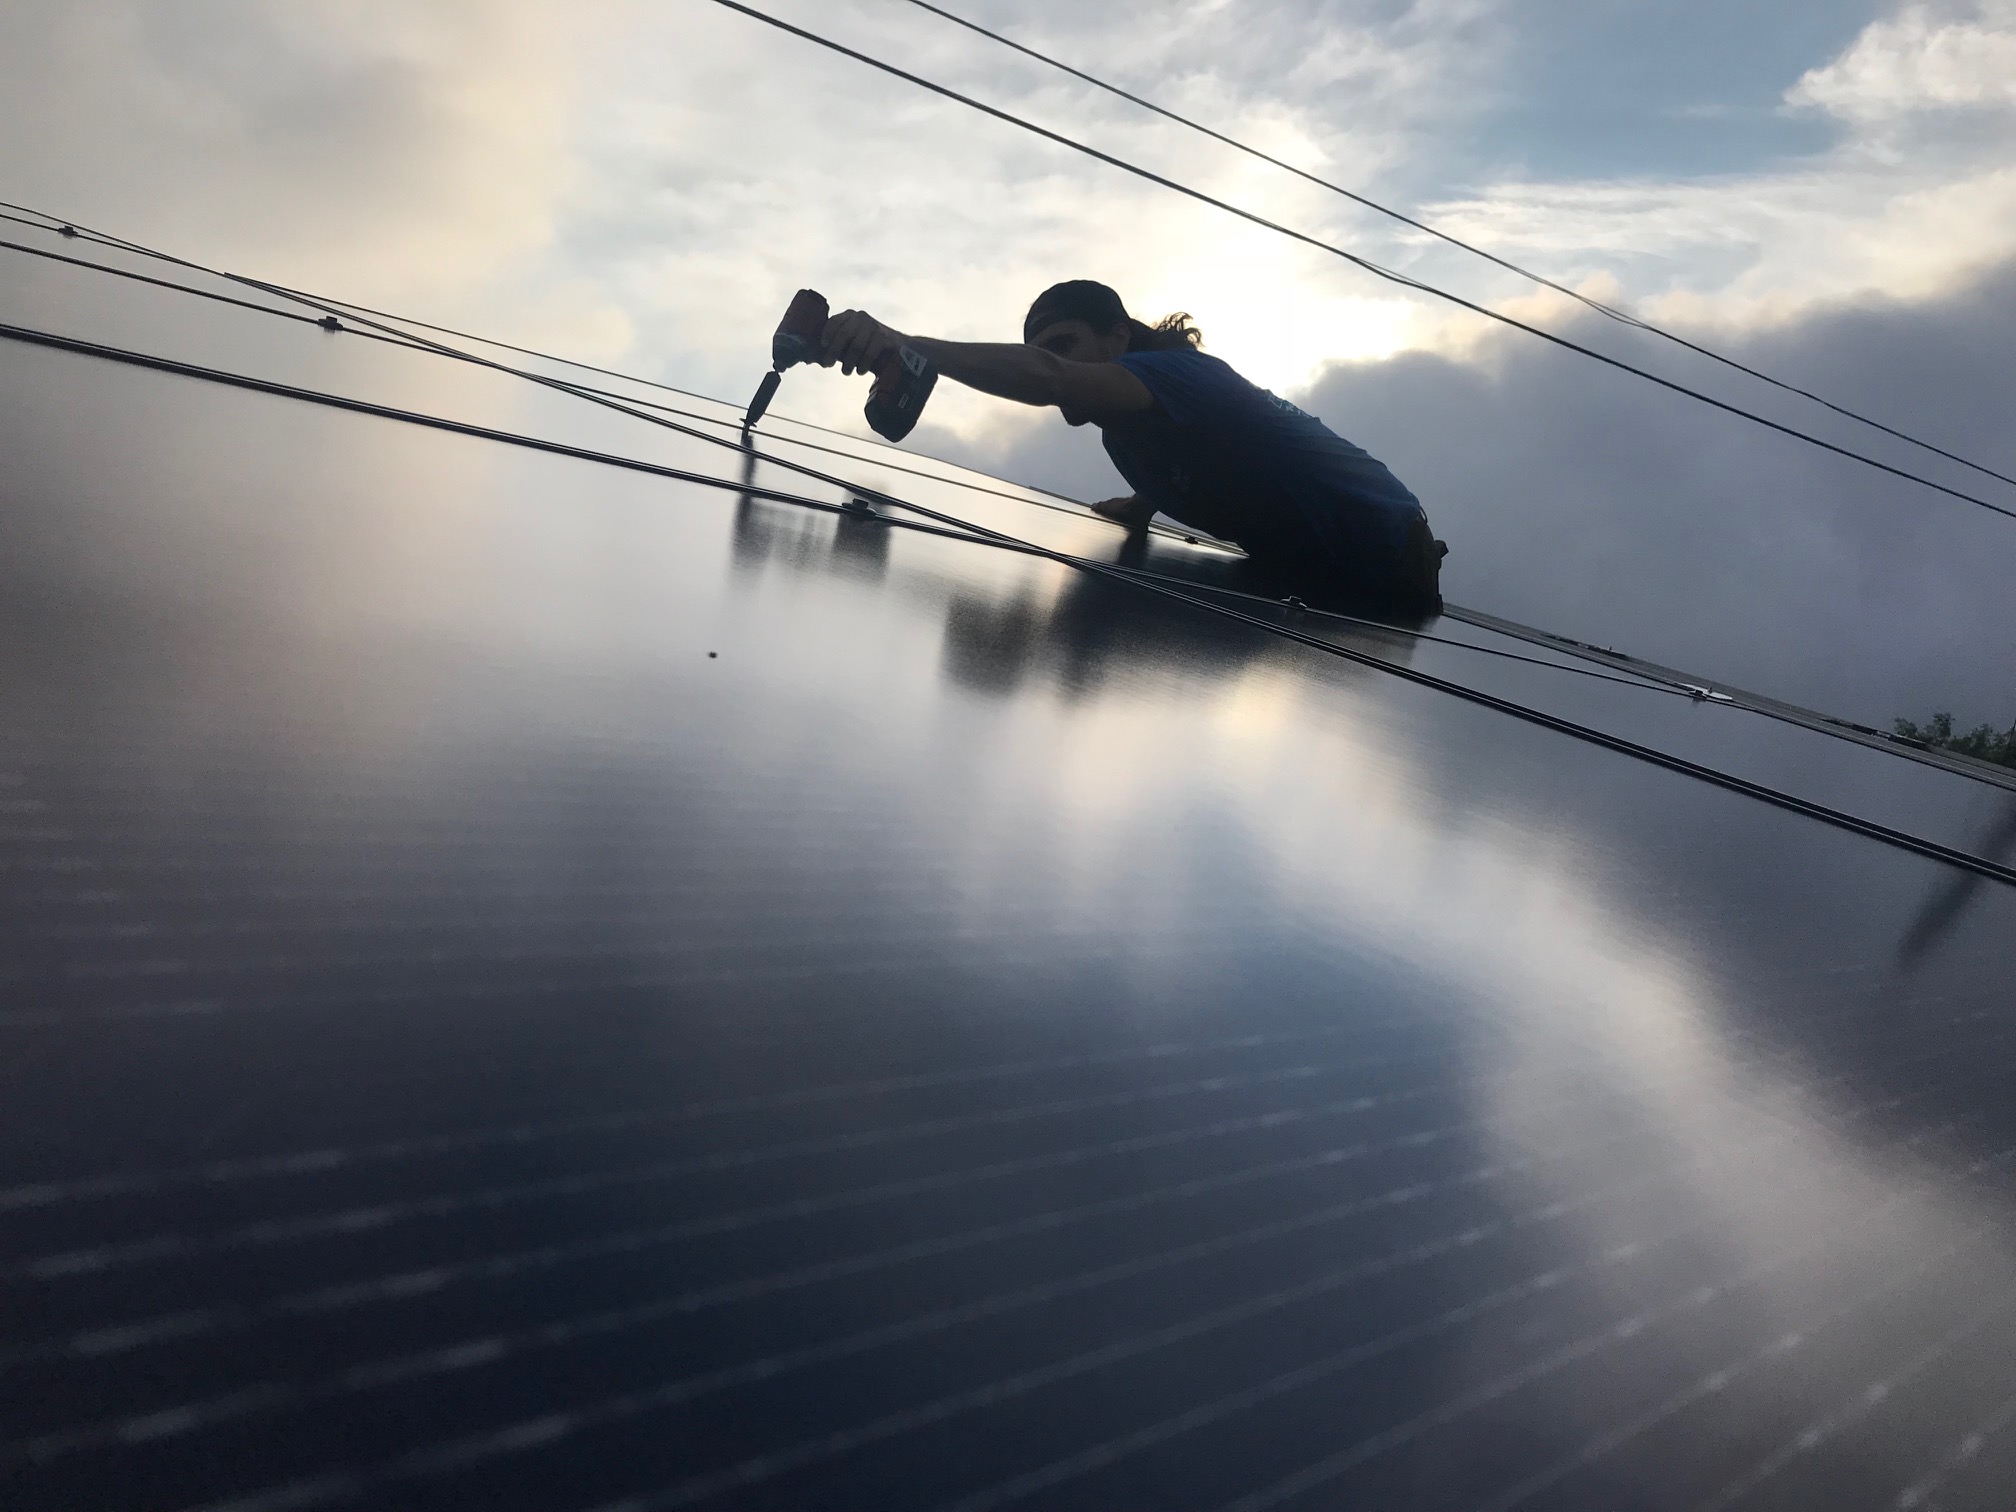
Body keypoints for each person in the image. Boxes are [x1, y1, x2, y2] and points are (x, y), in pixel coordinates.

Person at [815, 279, 1445, 614]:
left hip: (1386, 554)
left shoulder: (1183, 376)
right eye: (1041, 348)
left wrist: (907, 345)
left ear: (1118, 339)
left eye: (1063, 344)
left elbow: (1050, 380)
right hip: (1310, 571)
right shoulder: (1124, 432)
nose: (1050, 363)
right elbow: (1207, 451)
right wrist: (1144, 503)